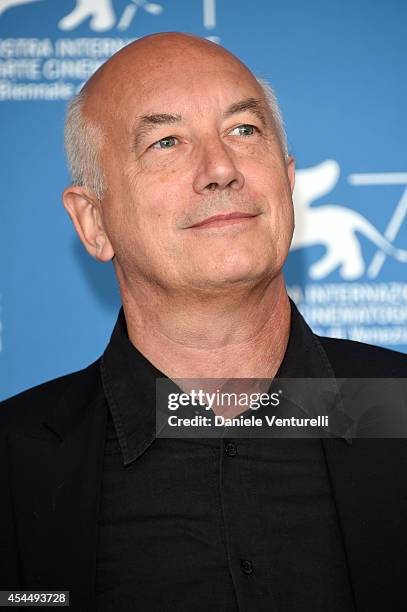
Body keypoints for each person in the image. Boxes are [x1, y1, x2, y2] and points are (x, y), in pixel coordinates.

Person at [0, 32, 406, 612]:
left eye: (244, 130)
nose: (221, 169)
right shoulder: (14, 466)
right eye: (166, 141)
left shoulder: (401, 408)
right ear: (93, 222)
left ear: (288, 184)